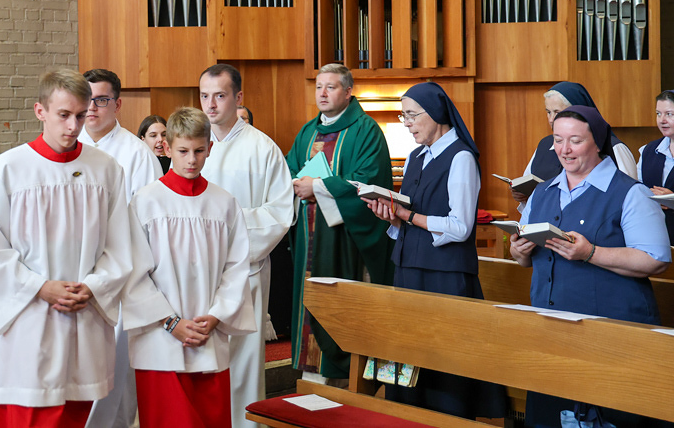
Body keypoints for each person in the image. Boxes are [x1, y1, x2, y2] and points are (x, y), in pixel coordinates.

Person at [0, 69, 133, 428]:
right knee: (27, 414)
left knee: (75, 411)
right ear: (40, 111)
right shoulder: (7, 170)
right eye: (64, 115)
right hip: (29, 320)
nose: (74, 126)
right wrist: (40, 287)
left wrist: (93, 286)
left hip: (84, 314)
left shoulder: (106, 170)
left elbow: (120, 245)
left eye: (80, 115)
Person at [512, 105, 670, 428]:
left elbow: (656, 260)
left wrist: (591, 253)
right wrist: (520, 251)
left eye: (575, 141)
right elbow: (526, 259)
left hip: (610, 337)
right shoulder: (541, 192)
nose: (564, 150)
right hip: (550, 334)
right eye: (557, 140)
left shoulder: (631, 193)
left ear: (597, 142)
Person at [364, 82, 505, 420]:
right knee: (411, 362)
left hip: (445, 276)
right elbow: (410, 219)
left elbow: (460, 226)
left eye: (412, 115)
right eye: (404, 116)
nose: (407, 123)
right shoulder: (415, 157)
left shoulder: (461, 157)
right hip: (409, 271)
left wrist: (407, 216)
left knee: (446, 366)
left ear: (436, 113)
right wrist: (391, 216)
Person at [123, 107, 255, 428]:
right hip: (159, 340)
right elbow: (134, 273)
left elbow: (236, 268)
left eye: (198, 151)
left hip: (208, 335)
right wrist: (171, 323)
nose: (191, 160)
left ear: (209, 148)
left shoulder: (224, 203)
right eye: (183, 151)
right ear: (167, 148)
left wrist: (217, 315)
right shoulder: (145, 202)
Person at [285, 64, 394, 382]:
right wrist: (297, 186)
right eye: (319, 86)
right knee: (309, 297)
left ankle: (347, 378)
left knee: (341, 304)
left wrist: (318, 187)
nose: (322, 93)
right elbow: (290, 170)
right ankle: (313, 376)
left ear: (348, 92)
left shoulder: (366, 130)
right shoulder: (308, 131)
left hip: (344, 240)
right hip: (309, 235)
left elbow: (369, 181)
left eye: (330, 87)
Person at [198, 64, 293, 428]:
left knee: (243, 361)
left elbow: (280, 213)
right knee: (203, 357)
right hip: (198, 269)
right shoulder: (195, 145)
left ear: (238, 98)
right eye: (204, 96)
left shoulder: (261, 148)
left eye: (219, 96)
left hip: (245, 269)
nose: (211, 105)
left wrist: (229, 233)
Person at [79, 68, 163, 428]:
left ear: (118, 104)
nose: (92, 107)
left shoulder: (136, 154)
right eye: (87, 99)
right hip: (74, 272)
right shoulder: (70, 144)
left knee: (115, 372)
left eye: (101, 99)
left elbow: (149, 223)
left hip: (120, 275)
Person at [518, 82, 636, 204]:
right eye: (549, 112)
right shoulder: (544, 145)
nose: (551, 119)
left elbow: (628, 195)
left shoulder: (615, 147)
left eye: (557, 112)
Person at [637, 90, 674, 243]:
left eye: (669, 114)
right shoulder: (648, 150)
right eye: (658, 114)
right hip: (655, 235)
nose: (662, 120)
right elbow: (637, 189)